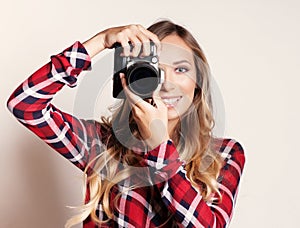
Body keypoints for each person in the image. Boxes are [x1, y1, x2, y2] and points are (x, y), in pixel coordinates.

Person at [7, 20, 245, 227]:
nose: (167, 83)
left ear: (198, 83)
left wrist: (159, 144)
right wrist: (101, 41)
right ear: (133, 77)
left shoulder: (224, 154)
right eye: (155, 70)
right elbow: (25, 104)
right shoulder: (102, 144)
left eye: (180, 69)